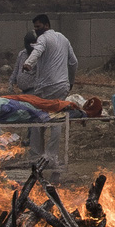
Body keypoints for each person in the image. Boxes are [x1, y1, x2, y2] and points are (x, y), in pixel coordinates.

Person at [24, 14, 78, 178]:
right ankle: (51, 157)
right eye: (35, 28)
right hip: (61, 86)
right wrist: (70, 81)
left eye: (38, 27)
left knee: (38, 119)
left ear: (47, 25)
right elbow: (73, 62)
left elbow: (37, 51)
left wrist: (28, 63)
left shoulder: (44, 39)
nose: (36, 30)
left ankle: (37, 156)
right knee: (56, 121)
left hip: (45, 88)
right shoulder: (63, 38)